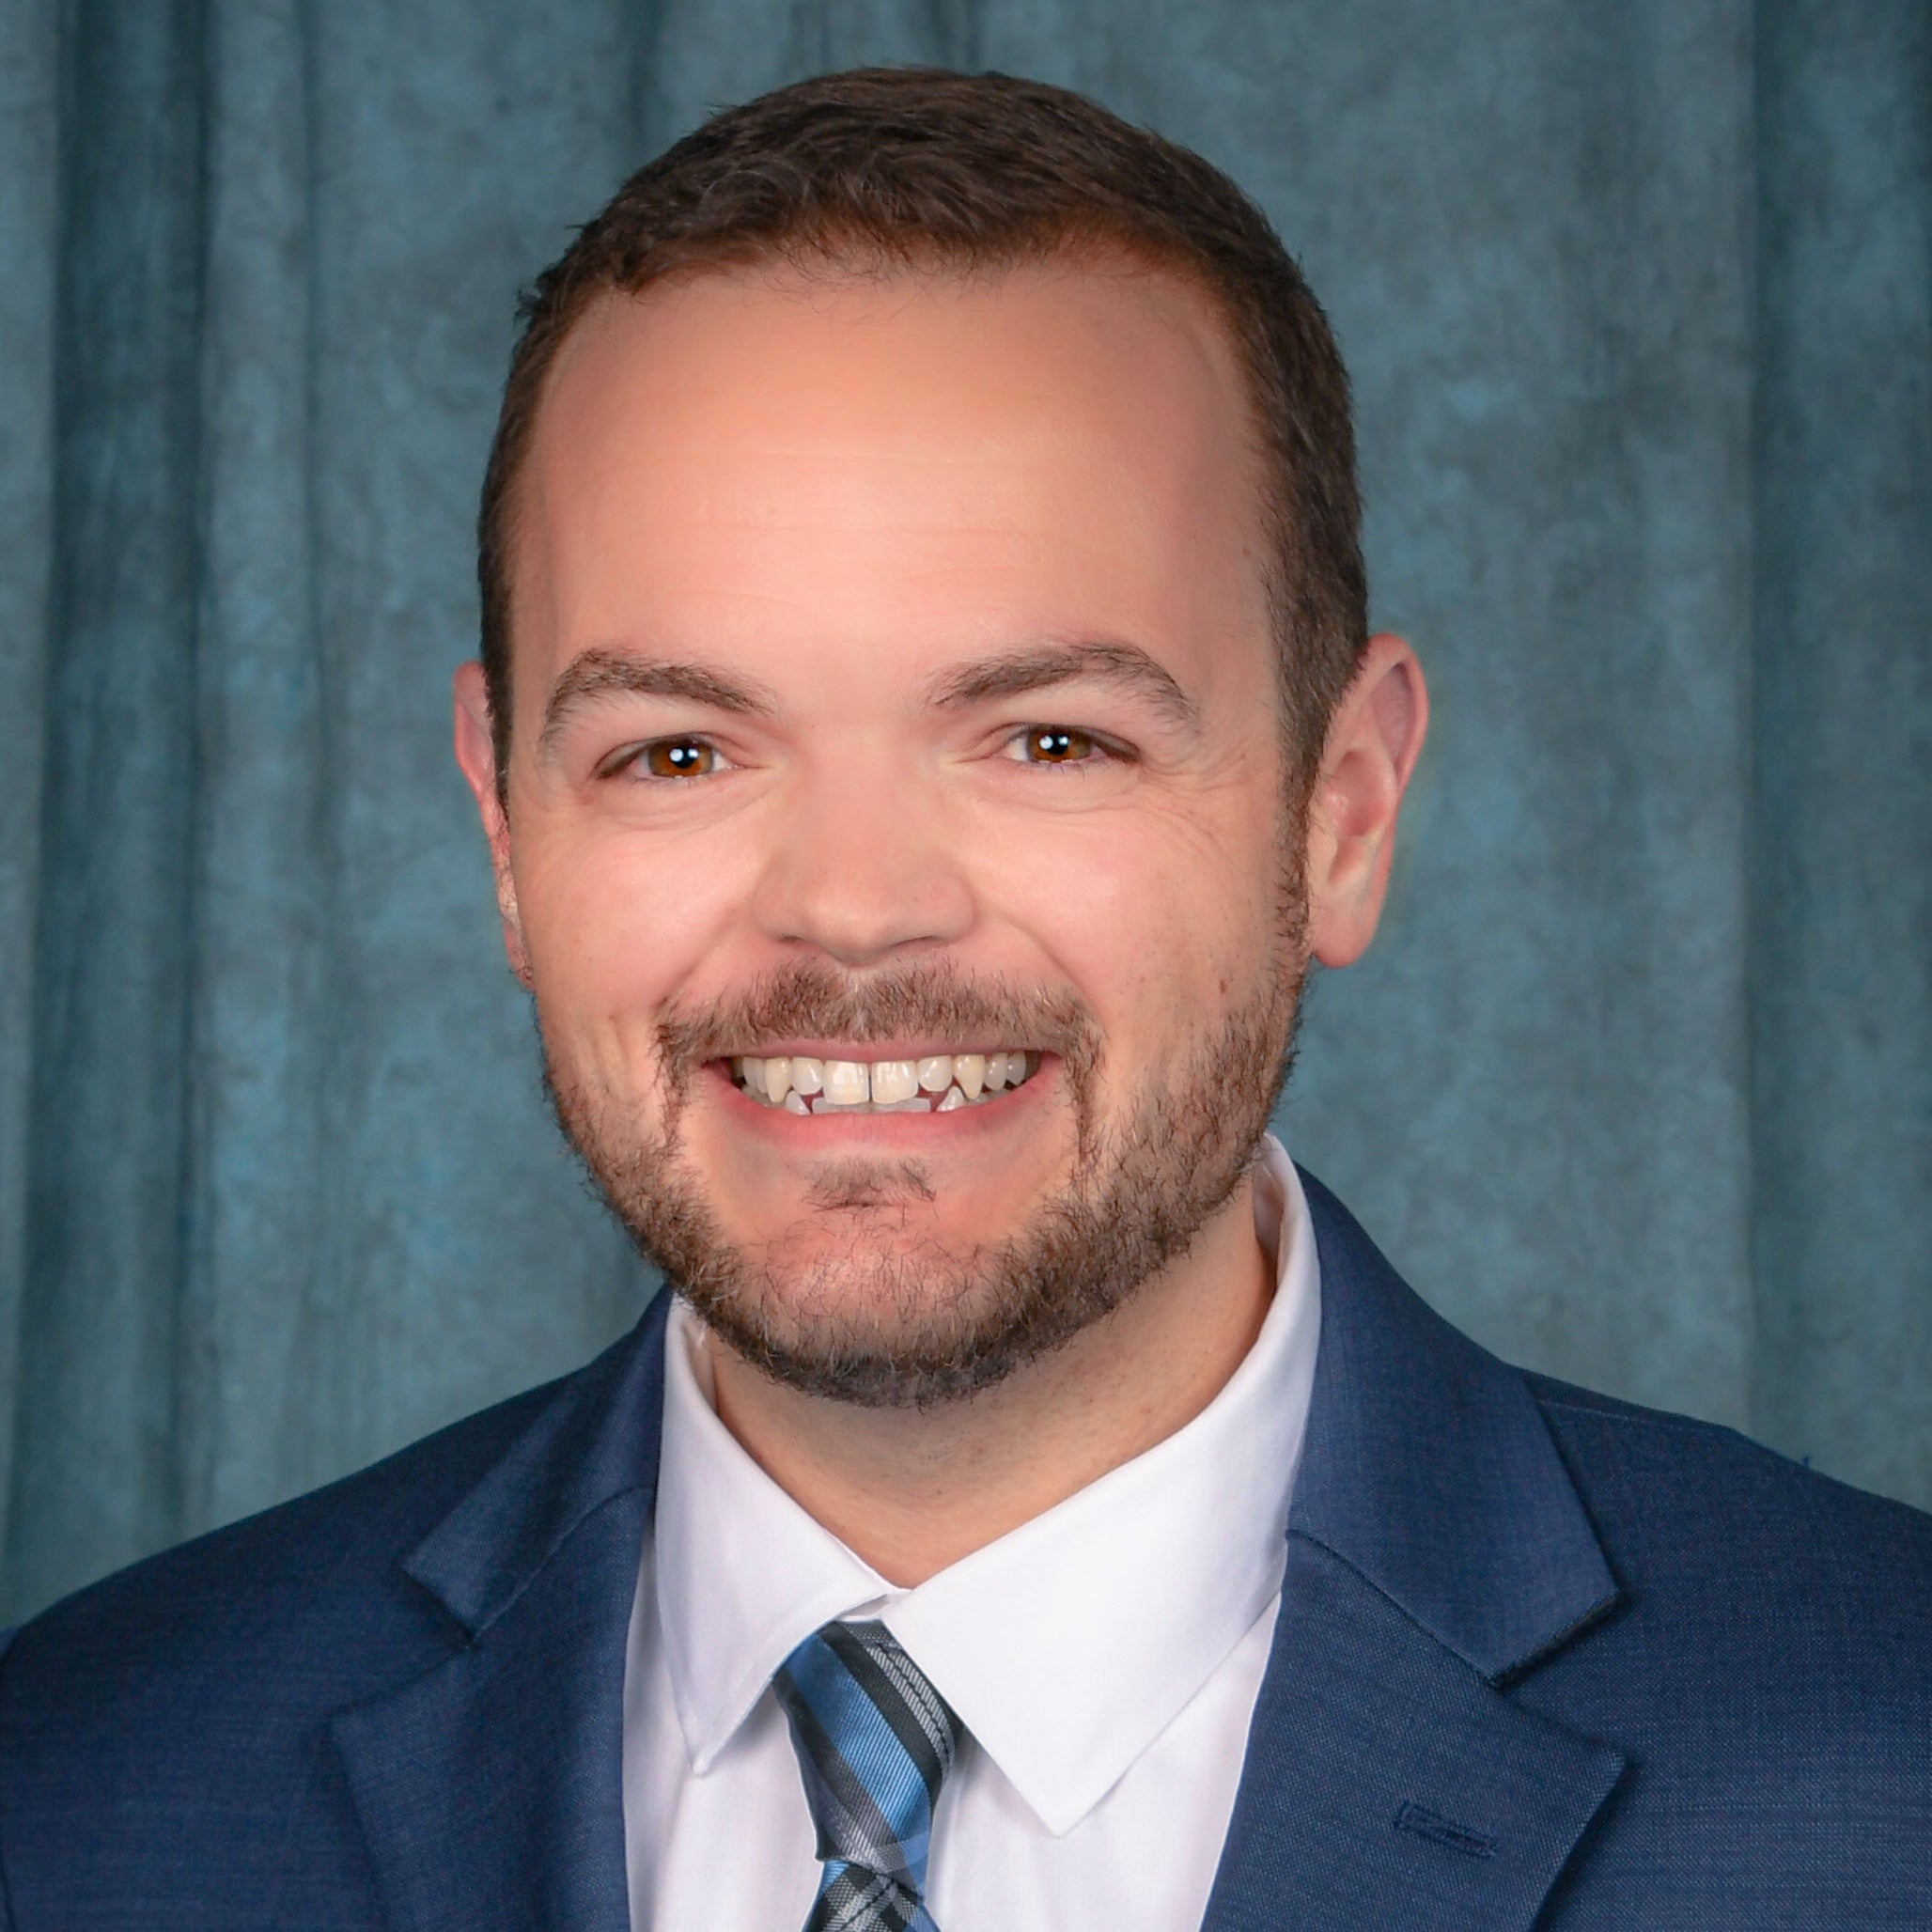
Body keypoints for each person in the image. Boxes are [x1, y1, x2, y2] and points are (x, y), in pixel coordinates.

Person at [1, 64, 1926, 1932]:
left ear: (1343, 811)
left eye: (1048, 739)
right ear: (505, 825)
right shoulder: (81, 1794)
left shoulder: (1882, 1775)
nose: (853, 913)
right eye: (680, 752)